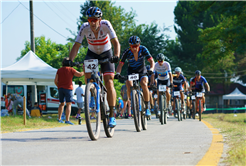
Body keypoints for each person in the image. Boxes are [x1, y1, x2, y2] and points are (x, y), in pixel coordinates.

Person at [68, 7, 120, 128]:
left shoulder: (106, 24)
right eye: (90, 19)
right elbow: (77, 45)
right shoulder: (84, 27)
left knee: (109, 82)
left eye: (95, 19)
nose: (92, 22)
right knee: (87, 74)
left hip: (107, 53)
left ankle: (112, 115)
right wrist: (70, 60)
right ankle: (92, 92)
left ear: (99, 19)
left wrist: (116, 56)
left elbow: (116, 43)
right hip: (92, 53)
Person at [115, 36, 155, 117]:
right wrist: (118, 73)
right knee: (128, 84)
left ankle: (147, 107)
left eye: (136, 46)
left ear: (139, 45)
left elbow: (151, 61)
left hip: (142, 70)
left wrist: (151, 69)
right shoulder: (127, 51)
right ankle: (132, 101)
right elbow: (120, 64)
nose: (134, 48)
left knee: (143, 84)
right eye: (132, 46)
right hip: (131, 71)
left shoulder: (143, 49)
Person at [54, 57, 84, 125]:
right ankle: (67, 120)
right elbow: (79, 74)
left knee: (61, 103)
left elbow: (55, 81)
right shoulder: (71, 69)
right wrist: (84, 71)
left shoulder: (59, 70)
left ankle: (59, 119)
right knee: (69, 104)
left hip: (60, 88)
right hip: (68, 88)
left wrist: (58, 86)